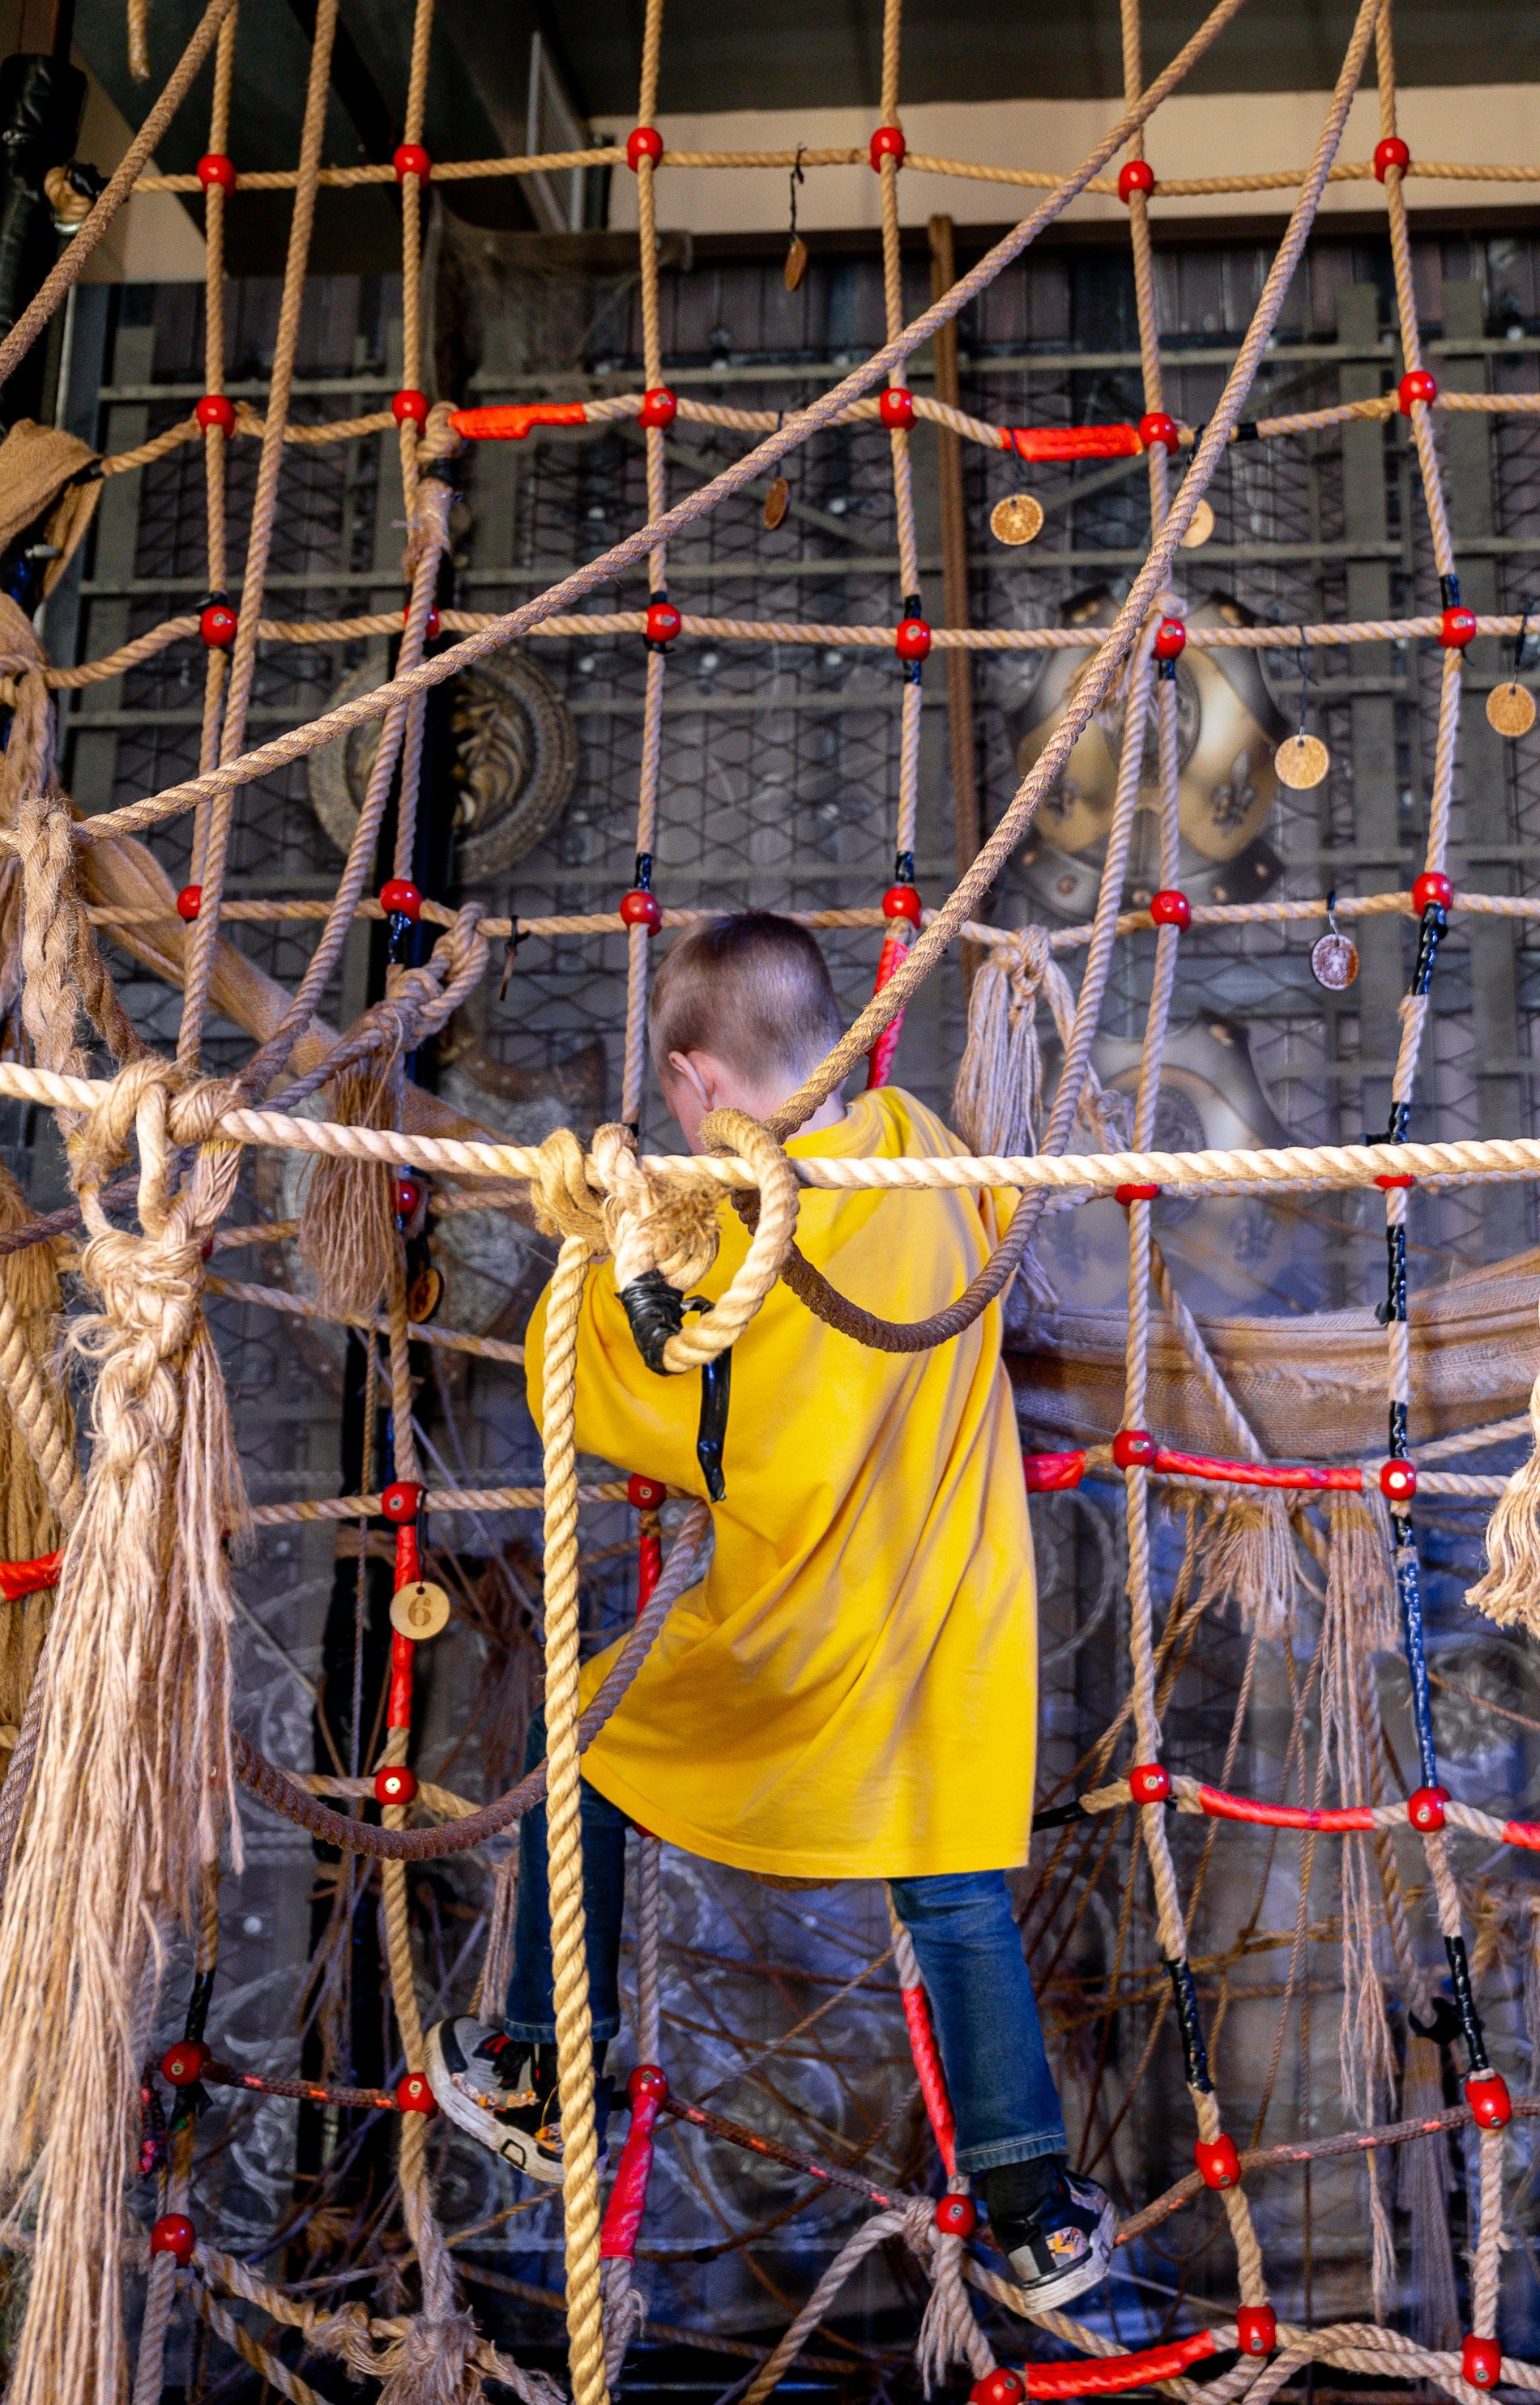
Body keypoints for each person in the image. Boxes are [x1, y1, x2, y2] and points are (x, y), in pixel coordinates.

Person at [426, 911, 1116, 2315]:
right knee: (955, 1897)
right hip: (954, 1618)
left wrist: (614, 1258)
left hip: (799, 1627)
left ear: (698, 1081)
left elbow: (672, 1417)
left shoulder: (757, 1241)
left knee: (591, 1748)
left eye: (675, 1102)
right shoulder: (927, 1153)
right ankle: (1038, 2222)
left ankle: (548, 2070)